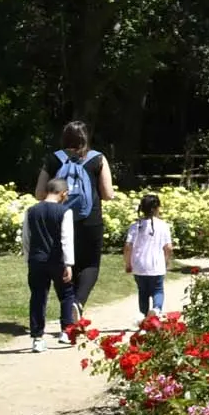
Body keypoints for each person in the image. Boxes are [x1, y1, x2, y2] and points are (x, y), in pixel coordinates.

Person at [36, 121, 115, 339]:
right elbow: (107, 194)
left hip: (60, 219)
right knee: (90, 264)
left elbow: (40, 193)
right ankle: (78, 302)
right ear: (85, 137)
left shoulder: (53, 158)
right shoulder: (97, 158)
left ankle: (68, 318)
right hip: (90, 220)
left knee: (64, 265)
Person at [22, 180, 76, 352]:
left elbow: (26, 237)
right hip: (58, 260)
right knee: (66, 294)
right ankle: (66, 332)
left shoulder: (31, 211)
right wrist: (69, 263)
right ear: (64, 193)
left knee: (38, 297)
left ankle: (37, 338)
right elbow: (66, 239)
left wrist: (28, 258)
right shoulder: (65, 211)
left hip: (37, 260)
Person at [124, 193, 173, 323]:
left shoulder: (135, 226)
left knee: (143, 292)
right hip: (156, 264)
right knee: (158, 290)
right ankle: (156, 309)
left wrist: (128, 263)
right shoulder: (163, 226)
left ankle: (143, 316)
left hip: (139, 265)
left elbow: (128, 247)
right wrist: (167, 261)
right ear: (157, 208)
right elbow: (168, 247)